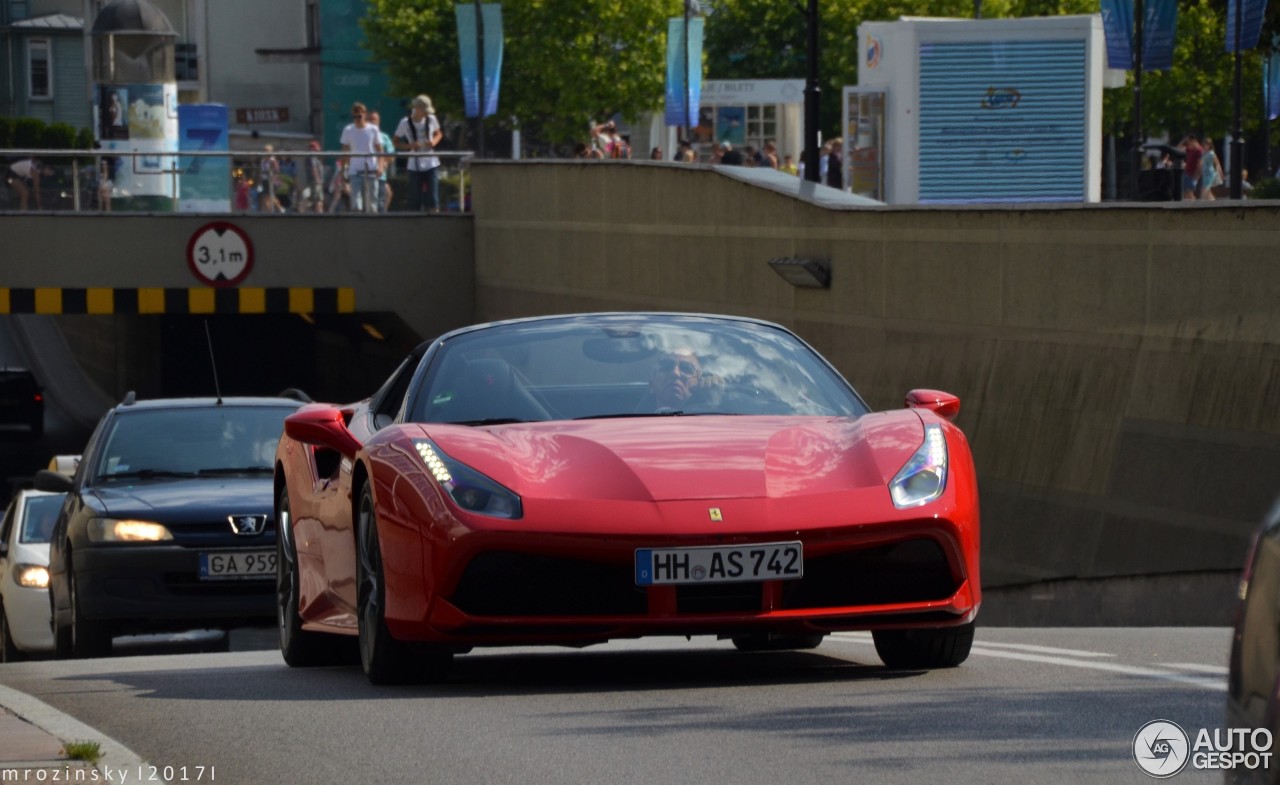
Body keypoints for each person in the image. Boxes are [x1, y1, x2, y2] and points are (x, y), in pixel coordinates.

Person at [394, 95, 444, 212]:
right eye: (424, 111)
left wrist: (433, 142)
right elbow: (396, 141)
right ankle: (415, 221)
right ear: (417, 108)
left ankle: (434, 218)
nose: (426, 113)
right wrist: (409, 146)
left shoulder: (431, 119)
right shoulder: (405, 123)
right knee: (414, 197)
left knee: (433, 196)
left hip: (431, 162)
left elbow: (439, 133)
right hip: (414, 164)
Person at [339, 102, 382, 213]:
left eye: (359, 116)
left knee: (372, 203)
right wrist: (343, 170)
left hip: (371, 169)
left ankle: (372, 225)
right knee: (356, 202)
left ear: (364, 114)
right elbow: (345, 151)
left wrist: (380, 166)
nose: (357, 119)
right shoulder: (348, 130)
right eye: (355, 116)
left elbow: (380, 150)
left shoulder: (373, 129)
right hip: (355, 170)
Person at [368, 110, 395, 213]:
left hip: (380, 176)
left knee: (380, 203)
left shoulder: (384, 137)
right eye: (370, 120)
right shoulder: (363, 136)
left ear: (378, 122)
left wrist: (384, 161)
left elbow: (391, 154)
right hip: (365, 175)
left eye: (374, 120)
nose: (372, 122)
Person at [1180, 134, 1203, 201]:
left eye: (1189, 141)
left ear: (1193, 140)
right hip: (1187, 173)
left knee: (1189, 193)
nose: (1188, 143)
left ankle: (1194, 206)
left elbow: (1200, 164)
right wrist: (1183, 140)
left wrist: (1196, 177)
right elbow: (1179, 149)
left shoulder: (1199, 150)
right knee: (1185, 193)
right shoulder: (1190, 149)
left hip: (1192, 175)